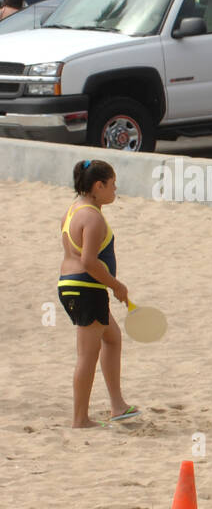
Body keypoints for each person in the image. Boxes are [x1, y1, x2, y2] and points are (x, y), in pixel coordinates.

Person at [57, 160, 136, 428]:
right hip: (86, 289)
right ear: (98, 185)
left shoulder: (72, 211)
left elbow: (77, 253)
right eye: (112, 184)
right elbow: (90, 261)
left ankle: (118, 405)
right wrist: (116, 285)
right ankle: (80, 419)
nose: (115, 189)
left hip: (70, 284)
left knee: (112, 339)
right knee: (87, 355)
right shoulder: (92, 217)